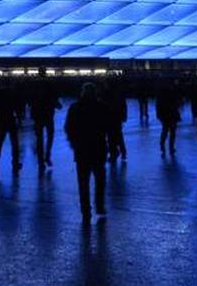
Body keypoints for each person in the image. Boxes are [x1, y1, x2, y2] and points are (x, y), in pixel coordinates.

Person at [65, 82, 109, 219]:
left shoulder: (75, 107)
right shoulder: (101, 107)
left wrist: (73, 142)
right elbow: (107, 126)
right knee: (100, 179)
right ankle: (99, 205)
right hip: (98, 147)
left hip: (82, 149)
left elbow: (68, 127)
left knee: (83, 181)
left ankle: (85, 209)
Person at [29, 78, 61, 170]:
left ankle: (40, 161)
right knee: (50, 136)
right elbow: (55, 99)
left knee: (39, 139)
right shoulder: (50, 85)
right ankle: (47, 155)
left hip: (38, 116)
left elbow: (31, 100)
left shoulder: (35, 86)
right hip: (48, 115)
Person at [0, 80, 22, 175]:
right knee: (14, 142)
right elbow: (16, 107)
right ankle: (15, 162)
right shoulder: (12, 93)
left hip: (1, 119)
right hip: (10, 119)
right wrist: (19, 118)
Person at [155, 83, 182, 156]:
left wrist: (158, 114)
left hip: (165, 115)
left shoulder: (161, 95)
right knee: (172, 132)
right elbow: (177, 104)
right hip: (172, 115)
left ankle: (162, 144)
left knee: (165, 130)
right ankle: (171, 147)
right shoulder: (173, 93)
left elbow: (158, 105)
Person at [105, 82, 128, 162]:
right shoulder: (119, 94)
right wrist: (124, 116)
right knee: (118, 136)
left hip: (109, 118)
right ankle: (122, 152)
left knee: (111, 137)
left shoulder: (106, 94)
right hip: (117, 118)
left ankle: (114, 154)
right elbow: (123, 105)